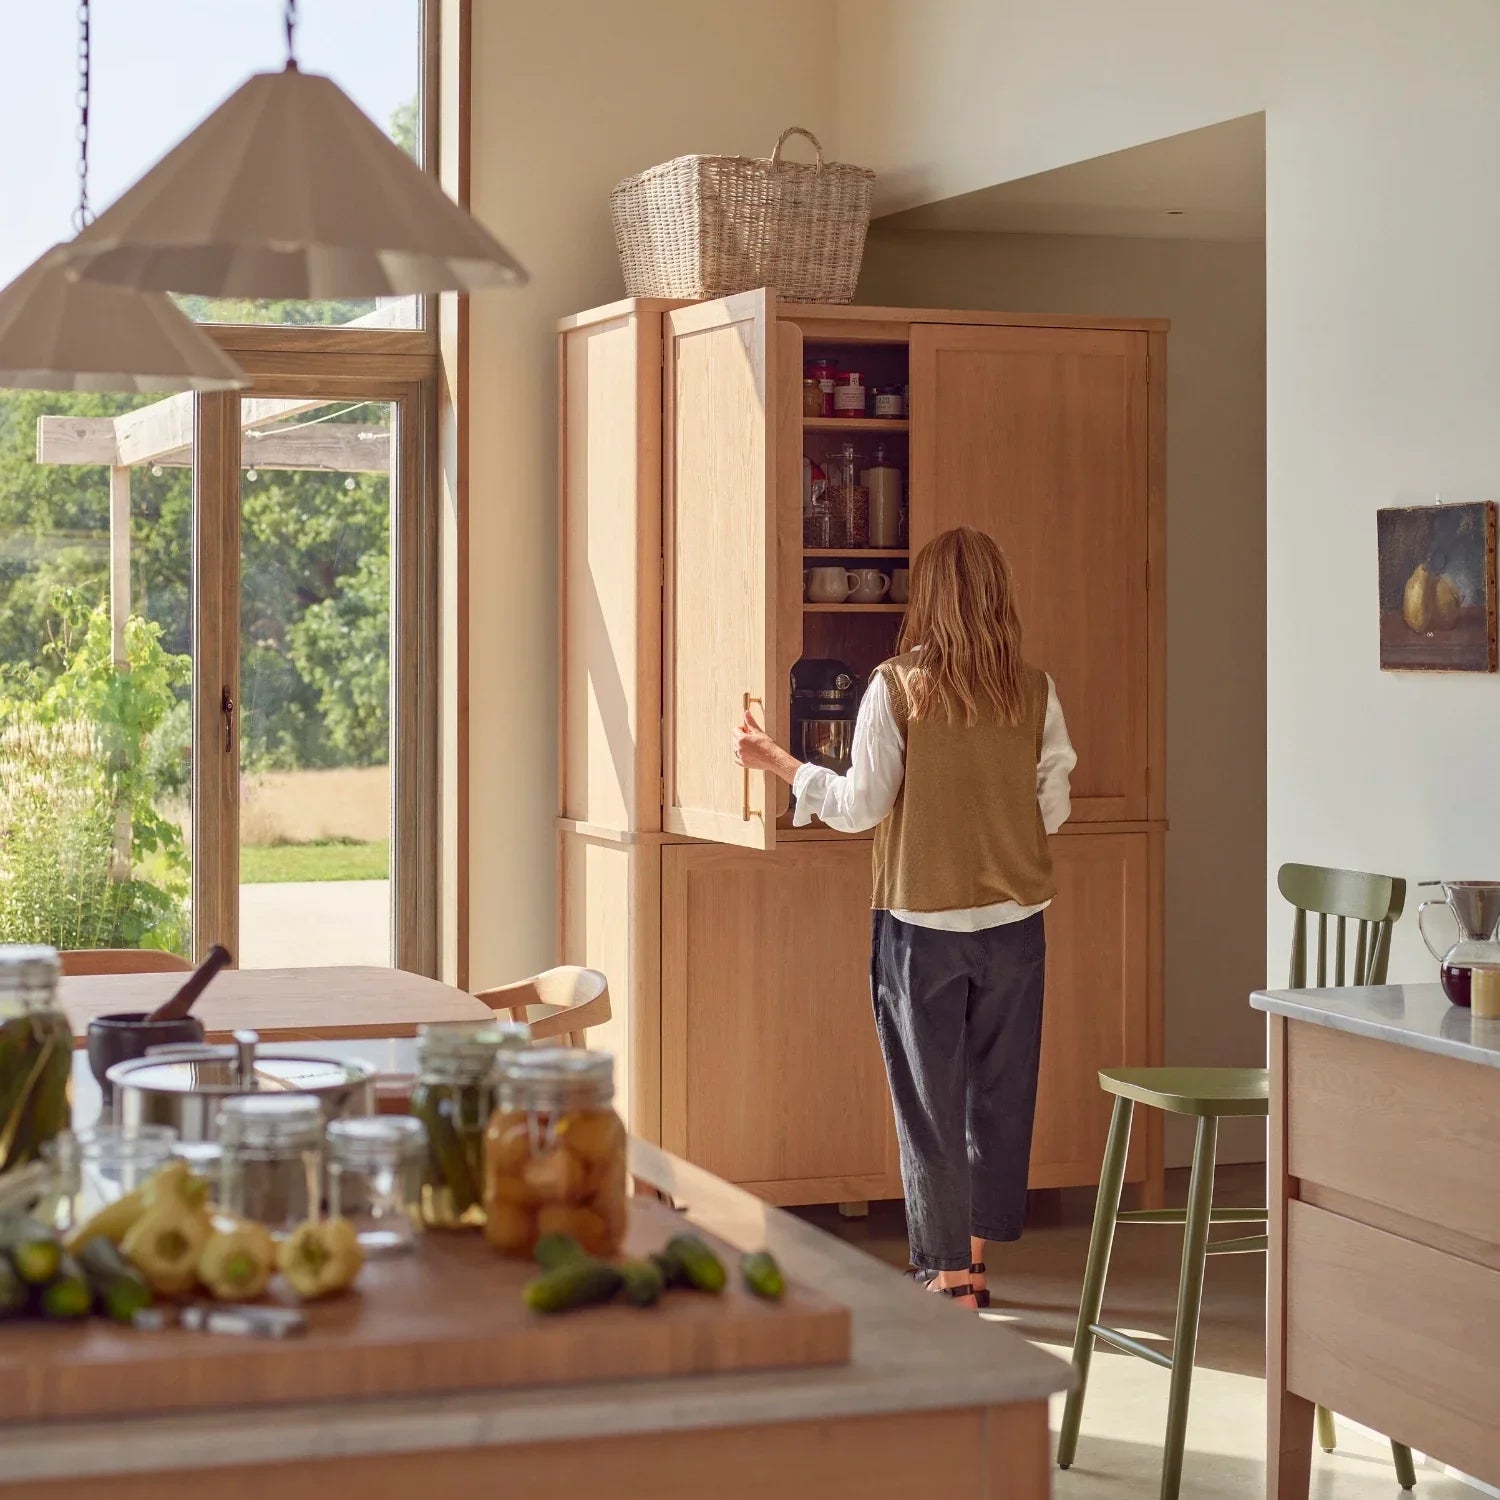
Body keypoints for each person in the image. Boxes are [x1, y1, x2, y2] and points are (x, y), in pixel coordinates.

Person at [733, 526, 1076, 1309]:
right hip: (1016, 926)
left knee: (930, 1105)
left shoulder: (896, 686)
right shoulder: (1034, 689)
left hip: (924, 929)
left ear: (927, 597)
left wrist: (779, 762)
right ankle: (974, 1266)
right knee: (998, 1098)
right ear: (998, 596)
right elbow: (1052, 805)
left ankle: (946, 1280)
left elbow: (860, 808)